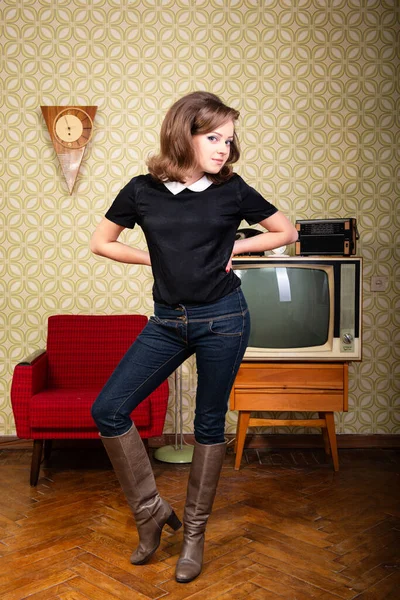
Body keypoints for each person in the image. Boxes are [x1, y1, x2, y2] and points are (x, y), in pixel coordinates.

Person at [90, 91, 298, 583]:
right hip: (167, 321)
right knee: (108, 409)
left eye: (229, 139)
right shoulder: (142, 190)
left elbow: (285, 232)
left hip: (225, 318)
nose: (224, 147)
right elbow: (102, 243)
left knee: (208, 424)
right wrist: (156, 260)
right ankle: (151, 512)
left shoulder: (232, 190)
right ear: (183, 133)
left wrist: (239, 244)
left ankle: (194, 537)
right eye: (213, 137)